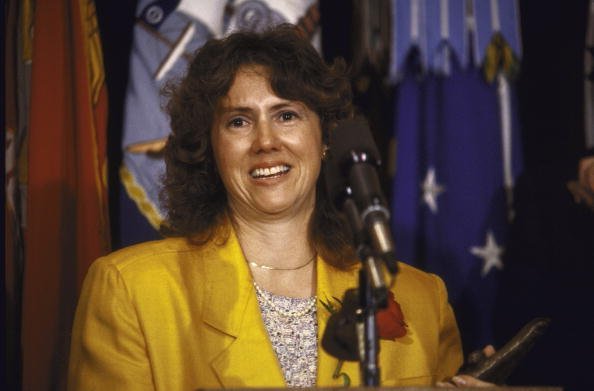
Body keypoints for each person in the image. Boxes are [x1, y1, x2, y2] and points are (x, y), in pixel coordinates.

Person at [67, 25, 491, 390]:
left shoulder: (421, 298)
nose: (266, 141)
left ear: (325, 139)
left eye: (286, 115)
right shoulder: (132, 291)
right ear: (210, 148)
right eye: (238, 121)